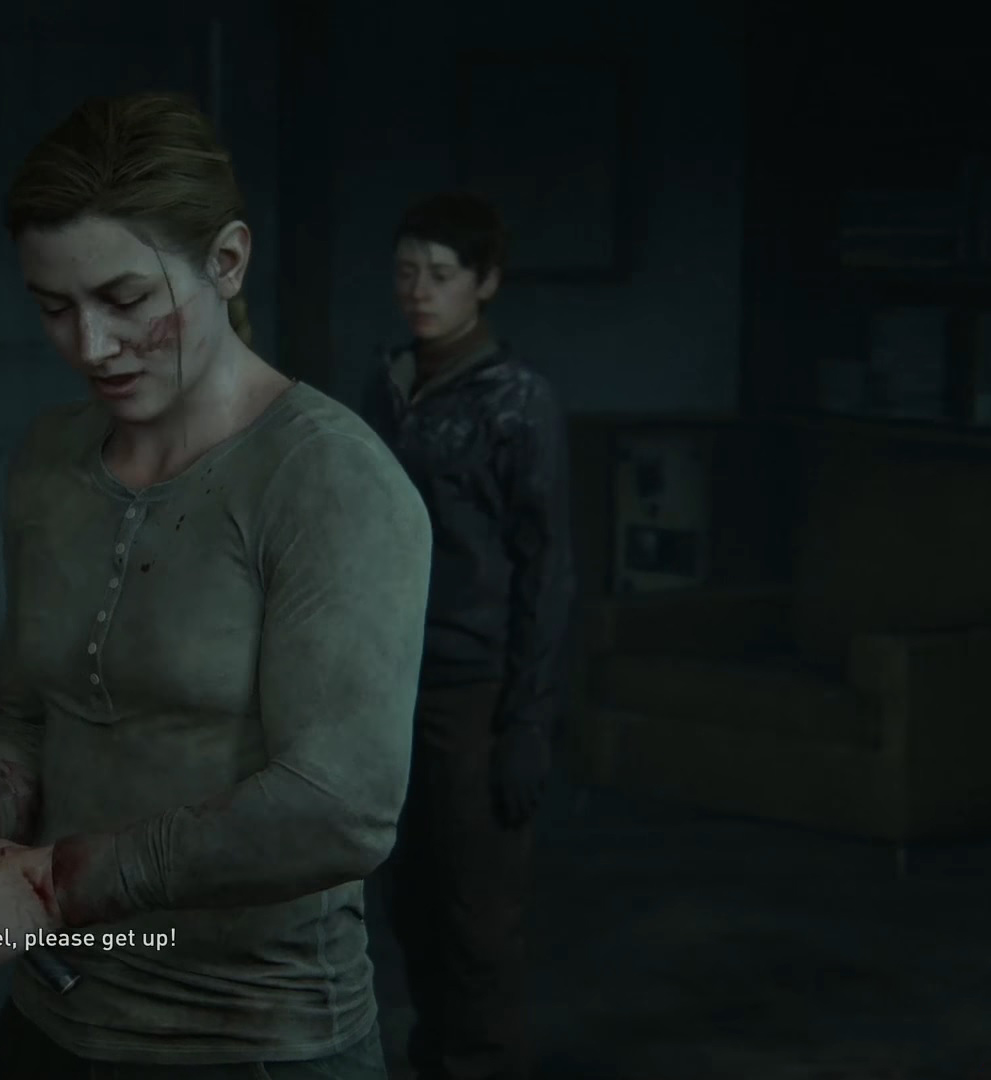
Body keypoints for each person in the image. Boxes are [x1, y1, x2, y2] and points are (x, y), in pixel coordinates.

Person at [0, 92, 433, 1077]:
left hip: (259, 1045)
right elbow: (30, 716)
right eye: (53, 307)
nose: (90, 346)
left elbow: (341, 808)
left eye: (125, 299)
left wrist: (55, 886)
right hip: (52, 1024)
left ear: (228, 261)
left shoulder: (329, 480)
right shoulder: (49, 461)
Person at [358, 192, 575, 1080]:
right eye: (407, 272)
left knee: (476, 914)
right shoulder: (387, 385)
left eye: (441, 274)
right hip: (391, 684)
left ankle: (480, 1064)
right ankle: (436, 1060)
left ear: (485, 283)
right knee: (409, 903)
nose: (419, 290)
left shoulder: (518, 403)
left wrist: (527, 722)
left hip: (473, 687)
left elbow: (547, 570)